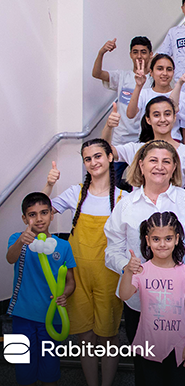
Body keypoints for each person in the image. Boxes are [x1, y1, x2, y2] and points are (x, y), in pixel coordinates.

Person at [103, 140, 185, 385]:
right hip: (140, 303)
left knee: (177, 371)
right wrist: (127, 267)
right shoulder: (126, 205)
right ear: (141, 165)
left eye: (166, 161)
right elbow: (112, 249)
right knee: (146, 373)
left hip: (179, 303)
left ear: (174, 167)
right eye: (153, 160)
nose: (160, 166)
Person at [42, 139, 126, 386]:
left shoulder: (125, 198)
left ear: (110, 157)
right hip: (76, 277)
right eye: (88, 159)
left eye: (98, 156)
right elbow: (40, 213)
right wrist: (49, 184)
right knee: (85, 337)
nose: (93, 162)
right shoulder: (75, 192)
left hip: (110, 277)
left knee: (108, 337)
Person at [120, 212, 185, 386]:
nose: (162, 244)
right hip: (149, 346)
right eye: (156, 239)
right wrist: (128, 270)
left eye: (168, 239)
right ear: (147, 241)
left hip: (178, 347)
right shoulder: (142, 270)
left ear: (177, 239)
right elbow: (124, 295)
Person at [6, 192, 76, 386]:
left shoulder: (63, 246)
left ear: (52, 215)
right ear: (24, 219)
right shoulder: (17, 239)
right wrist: (22, 241)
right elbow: (10, 258)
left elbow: (71, 281)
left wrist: (64, 294)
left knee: (50, 371)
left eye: (44, 212)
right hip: (21, 316)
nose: (39, 218)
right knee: (23, 371)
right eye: (32, 214)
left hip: (52, 317)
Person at [102, 96, 185, 195]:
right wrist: (108, 126)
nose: (162, 119)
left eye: (167, 114)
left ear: (174, 117)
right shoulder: (136, 149)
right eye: (156, 115)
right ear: (148, 120)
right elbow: (104, 152)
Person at [91, 36, 153, 189]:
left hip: (143, 141)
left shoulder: (154, 79)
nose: (139, 56)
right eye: (135, 52)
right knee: (109, 184)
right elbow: (97, 73)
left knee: (142, 185)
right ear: (130, 54)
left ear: (150, 54)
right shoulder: (122, 76)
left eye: (143, 52)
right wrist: (101, 52)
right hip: (120, 140)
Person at [125, 54, 185, 142]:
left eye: (169, 69)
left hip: (173, 143)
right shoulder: (144, 93)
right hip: (148, 142)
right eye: (160, 69)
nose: (164, 73)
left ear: (173, 73)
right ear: (151, 72)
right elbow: (130, 114)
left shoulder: (182, 96)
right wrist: (138, 86)